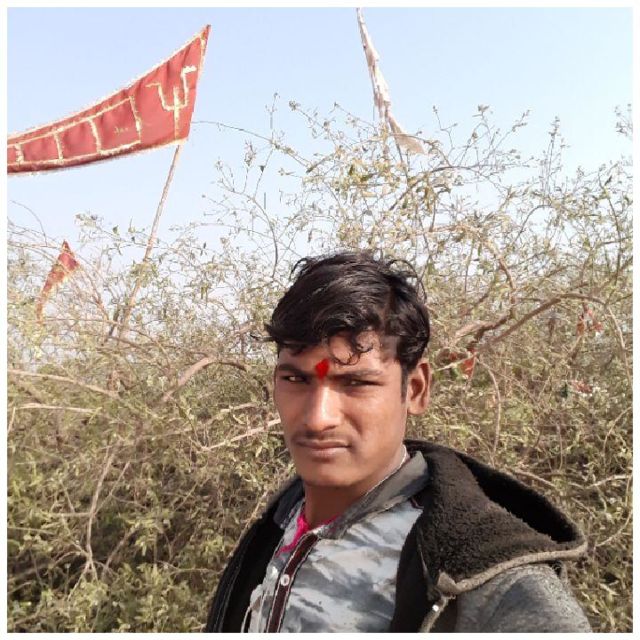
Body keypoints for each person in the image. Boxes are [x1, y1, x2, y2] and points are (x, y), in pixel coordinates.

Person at [204, 251, 591, 632]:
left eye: (356, 383)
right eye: (295, 379)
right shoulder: (280, 521)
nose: (318, 418)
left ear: (416, 389)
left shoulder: (495, 588)